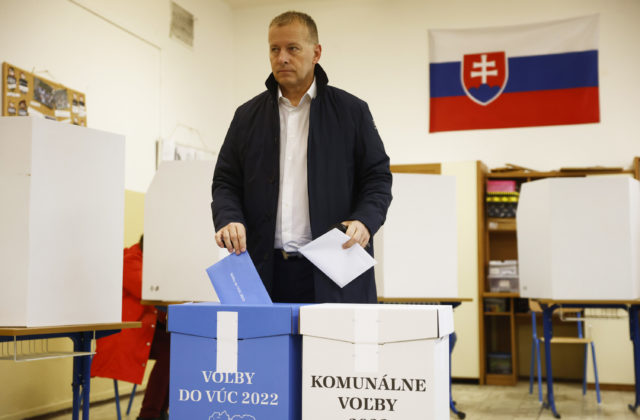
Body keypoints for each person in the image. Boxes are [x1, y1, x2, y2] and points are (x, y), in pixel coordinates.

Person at [212, 11, 392, 304]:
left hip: (334, 270)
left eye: (292, 48)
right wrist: (229, 218)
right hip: (264, 272)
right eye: (274, 49)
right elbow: (225, 182)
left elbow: (378, 178)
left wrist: (365, 220)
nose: (282, 58)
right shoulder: (246, 117)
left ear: (316, 53)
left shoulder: (352, 112)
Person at [91, 236, 170, 420]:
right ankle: (149, 415)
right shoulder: (129, 260)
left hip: (145, 330)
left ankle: (159, 411)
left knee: (179, 347)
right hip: (125, 333)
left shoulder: (147, 261)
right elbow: (150, 291)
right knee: (172, 349)